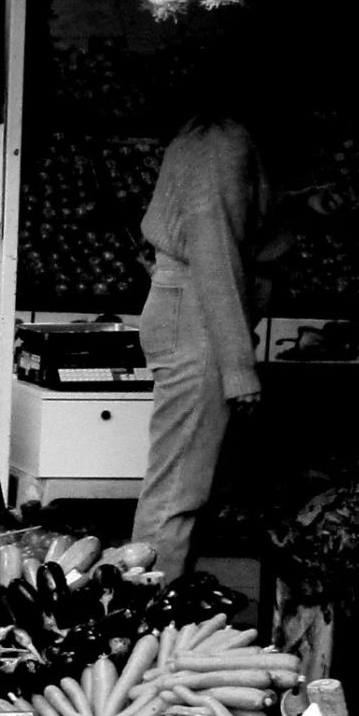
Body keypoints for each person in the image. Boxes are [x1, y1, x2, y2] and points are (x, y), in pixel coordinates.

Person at [130, 98, 270, 581]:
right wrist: (239, 366)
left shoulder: (203, 133)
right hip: (198, 313)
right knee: (178, 490)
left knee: (180, 480)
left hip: (184, 305)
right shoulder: (223, 143)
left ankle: (158, 607)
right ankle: (148, 616)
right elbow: (216, 254)